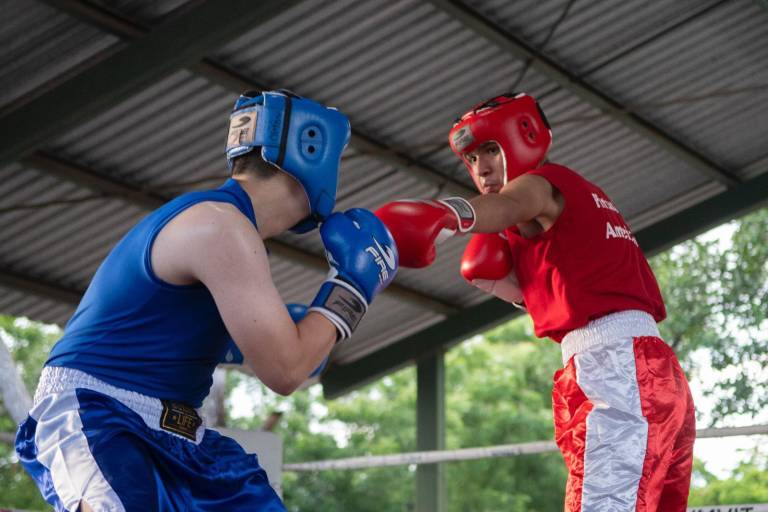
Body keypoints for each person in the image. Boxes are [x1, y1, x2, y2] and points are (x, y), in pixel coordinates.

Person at [14, 90, 398, 511]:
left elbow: (282, 353)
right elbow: (287, 369)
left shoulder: (230, 231)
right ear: (312, 148)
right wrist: (352, 285)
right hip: (101, 415)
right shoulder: (221, 226)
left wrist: (240, 343)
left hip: (182, 433)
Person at [375, 92, 695, 511]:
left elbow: (506, 204)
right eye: (470, 159)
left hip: (615, 369)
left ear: (523, 137)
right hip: (647, 369)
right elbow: (581, 286)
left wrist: (445, 214)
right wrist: (517, 286)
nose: (481, 167)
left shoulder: (541, 184)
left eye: (489, 149)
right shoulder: (582, 199)